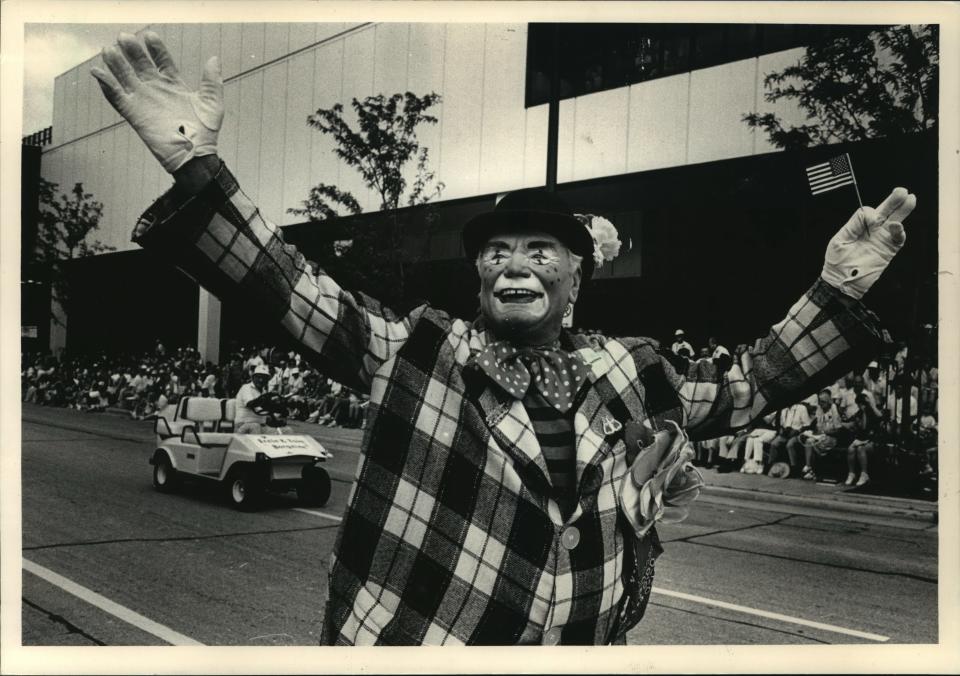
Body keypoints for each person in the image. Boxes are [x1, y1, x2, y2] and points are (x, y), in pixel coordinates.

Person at [94, 31, 914, 646]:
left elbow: (750, 388)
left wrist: (837, 288)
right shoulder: (416, 351)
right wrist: (195, 166)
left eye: (539, 252)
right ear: (481, 277)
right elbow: (282, 284)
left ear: (574, 279)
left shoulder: (630, 367)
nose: (514, 266)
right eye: (497, 252)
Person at [796, 389, 847, 481]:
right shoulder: (820, 409)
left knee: (810, 443)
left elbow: (838, 430)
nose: (821, 404)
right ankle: (809, 469)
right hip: (821, 437)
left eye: (823, 402)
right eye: (820, 402)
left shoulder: (833, 409)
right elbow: (817, 426)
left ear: (828, 401)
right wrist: (812, 433)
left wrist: (824, 432)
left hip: (832, 438)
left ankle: (809, 469)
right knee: (809, 440)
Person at [234, 364, 271, 434]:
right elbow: (250, 404)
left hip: (261, 425)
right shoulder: (246, 388)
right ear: (253, 377)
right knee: (255, 427)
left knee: (284, 430)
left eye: (264, 378)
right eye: (258, 377)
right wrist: (267, 401)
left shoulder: (264, 392)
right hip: (243, 424)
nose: (261, 380)